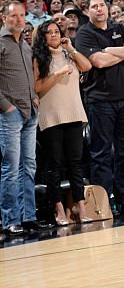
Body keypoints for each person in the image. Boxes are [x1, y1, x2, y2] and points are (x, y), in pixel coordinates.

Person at [74, 0, 124, 217]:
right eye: (94, 6)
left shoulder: (119, 27)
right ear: (87, 11)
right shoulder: (84, 33)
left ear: (107, 8)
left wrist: (107, 51)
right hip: (99, 100)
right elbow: (98, 62)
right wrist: (119, 53)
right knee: (102, 153)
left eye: (102, 5)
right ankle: (103, 202)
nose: (99, 9)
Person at [32, 20, 92, 226]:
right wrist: (57, 74)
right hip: (51, 117)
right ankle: (59, 211)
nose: (54, 35)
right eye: (49, 33)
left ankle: (81, 208)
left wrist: (71, 49)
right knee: (55, 165)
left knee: (76, 164)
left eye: (57, 31)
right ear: (43, 37)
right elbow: (37, 87)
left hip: (74, 114)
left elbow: (87, 66)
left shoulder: (68, 54)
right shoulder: (39, 57)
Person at [0, 1, 41, 236]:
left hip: (30, 112)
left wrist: (34, 96)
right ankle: (10, 220)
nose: (18, 19)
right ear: (4, 18)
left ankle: (29, 217)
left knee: (29, 166)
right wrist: (6, 107)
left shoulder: (25, 45)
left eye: (22, 16)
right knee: (11, 168)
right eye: (13, 16)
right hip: (10, 115)